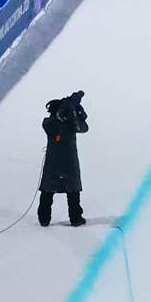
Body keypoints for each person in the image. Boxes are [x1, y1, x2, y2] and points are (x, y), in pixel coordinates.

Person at [38, 91, 88, 226]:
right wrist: (74, 112)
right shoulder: (70, 125)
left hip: (52, 162)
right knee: (73, 192)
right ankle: (76, 218)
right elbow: (83, 128)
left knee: (47, 191)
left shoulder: (48, 123)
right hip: (69, 161)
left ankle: (44, 219)